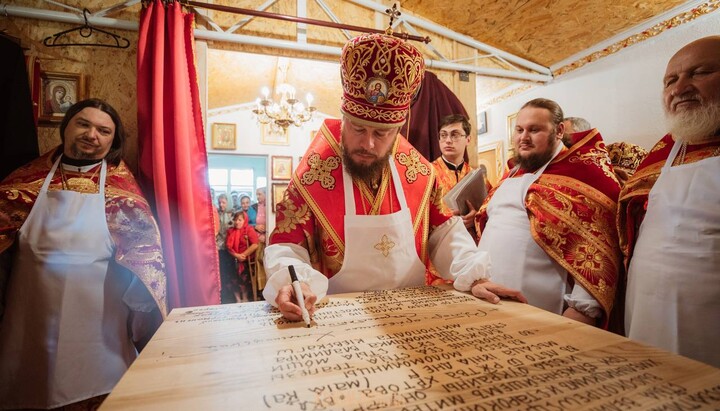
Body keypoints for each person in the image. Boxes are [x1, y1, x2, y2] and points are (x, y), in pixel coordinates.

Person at [264, 31, 525, 322]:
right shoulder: (312, 175)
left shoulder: (419, 172)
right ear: (343, 121)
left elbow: (444, 233)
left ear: (398, 129)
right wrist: (293, 281)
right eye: (358, 129)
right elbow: (286, 246)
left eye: (382, 133)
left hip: (414, 317)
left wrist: (474, 277)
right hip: (337, 320)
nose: (369, 144)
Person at [0, 98, 167, 409]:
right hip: (30, 311)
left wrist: (138, 305)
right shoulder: (24, 183)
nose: (92, 135)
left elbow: (147, 256)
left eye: (104, 130)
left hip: (101, 318)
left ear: (112, 140)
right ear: (66, 128)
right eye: (84, 124)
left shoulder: (124, 194)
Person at [618, 36, 720, 367]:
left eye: (700, 73)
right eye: (670, 81)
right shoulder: (664, 154)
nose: (679, 89)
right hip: (646, 308)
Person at [476, 98, 621, 327]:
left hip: (541, 308)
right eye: (519, 129)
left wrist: (583, 309)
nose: (523, 137)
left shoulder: (583, 175)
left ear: (559, 130)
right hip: (487, 298)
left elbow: (600, 244)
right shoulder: (512, 173)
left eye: (534, 130)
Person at [428, 114, 482, 285]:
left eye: (455, 134)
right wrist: (448, 220)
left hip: (471, 247)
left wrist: (476, 218)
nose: (448, 140)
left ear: (468, 139)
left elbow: (488, 210)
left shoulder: (477, 175)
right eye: (443, 135)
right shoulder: (427, 173)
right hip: (439, 249)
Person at [226, 211, 260, 302]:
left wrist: (243, 255)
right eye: (235, 220)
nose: (237, 222)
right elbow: (228, 247)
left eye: (240, 220)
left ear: (244, 220)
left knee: (244, 279)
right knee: (232, 279)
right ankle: (237, 299)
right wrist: (237, 255)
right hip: (233, 258)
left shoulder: (248, 229)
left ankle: (245, 297)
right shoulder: (231, 231)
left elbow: (255, 244)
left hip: (245, 259)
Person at [215, 193, 235, 303]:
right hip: (220, 246)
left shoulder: (232, 214)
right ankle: (223, 294)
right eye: (220, 203)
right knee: (221, 270)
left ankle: (231, 294)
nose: (221, 205)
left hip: (230, 246)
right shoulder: (217, 213)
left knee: (231, 271)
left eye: (223, 202)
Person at [252, 187, 268, 297]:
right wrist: (256, 227)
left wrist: (266, 227)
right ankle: (261, 290)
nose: (258, 197)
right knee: (259, 263)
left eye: (260, 194)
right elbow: (249, 222)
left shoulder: (270, 205)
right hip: (258, 239)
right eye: (257, 194)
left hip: (268, 239)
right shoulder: (255, 207)